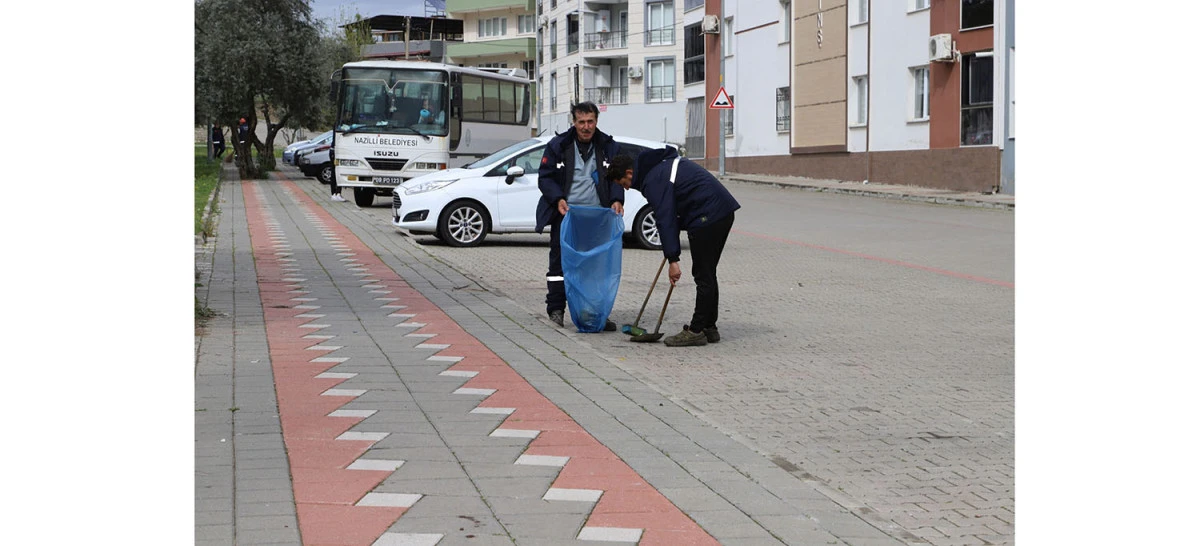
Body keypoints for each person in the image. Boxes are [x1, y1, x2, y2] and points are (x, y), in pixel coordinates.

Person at [605, 148, 741, 347]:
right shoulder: (657, 169)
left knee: (703, 274)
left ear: (629, 174)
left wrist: (673, 260)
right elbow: (674, 211)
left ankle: (696, 330)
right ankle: (709, 328)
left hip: (708, 215)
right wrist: (671, 247)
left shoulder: (654, 179)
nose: (625, 189)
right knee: (707, 273)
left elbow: (665, 217)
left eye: (623, 184)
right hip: (719, 212)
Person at [536, 101, 623, 330]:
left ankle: (593, 313)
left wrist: (616, 199)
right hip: (566, 216)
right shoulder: (558, 145)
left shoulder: (608, 146)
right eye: (581, 122)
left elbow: (617, 177)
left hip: (597, 218)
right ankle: (556, 309)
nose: (586, 127)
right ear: (573, 122)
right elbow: (545, 178)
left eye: (590, 121)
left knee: (594, 267)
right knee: (559, 264)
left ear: (596, 121)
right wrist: (558, 199)